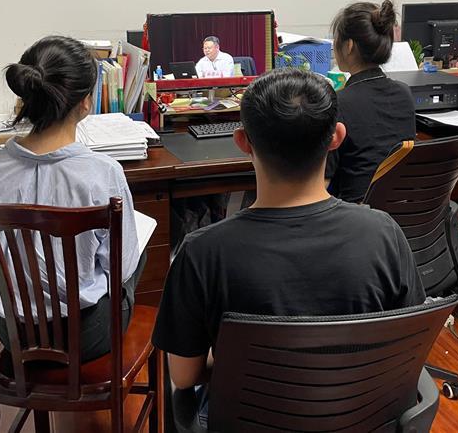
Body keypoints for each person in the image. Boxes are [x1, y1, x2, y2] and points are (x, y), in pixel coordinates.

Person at [153, 69, 425, 405]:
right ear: (337, 137)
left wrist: (250, 362)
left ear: (242, 141)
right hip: (359, 415)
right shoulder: (385, 234)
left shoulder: (201, 253)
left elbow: (184, 376)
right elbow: (407, 345)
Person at [0, 35, 145, 362]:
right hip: (84, 336)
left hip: (13, 332)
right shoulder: (104, 173)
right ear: (86, 103)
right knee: (135, 252)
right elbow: (120, 269)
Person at [325, 0, 416, 203]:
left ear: (349, 46)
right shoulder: (404, 93)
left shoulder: (338, 103)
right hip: (399, 212)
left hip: (353, 214)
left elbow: (322, 180)